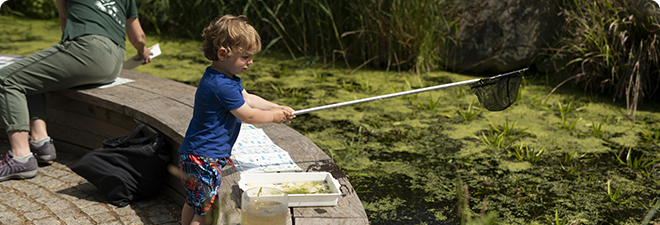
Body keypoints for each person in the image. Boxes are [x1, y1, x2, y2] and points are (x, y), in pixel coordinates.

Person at [0, 0, 153, 181]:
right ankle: (41, 143)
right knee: (33, 75)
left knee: (7, 78)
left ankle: (21, 156)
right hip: (114, 63)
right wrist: (143, 51)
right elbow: (139, 38)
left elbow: (64, 21)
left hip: (87, 50)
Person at [177, 14, 295, 225]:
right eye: (245, 57)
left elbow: (248, 98)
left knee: (193, 202)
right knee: (204, 213)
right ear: (223, 53)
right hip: (205, 158)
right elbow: (248, 114)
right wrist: (273, 118)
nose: (250, 63)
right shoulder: (221, 85)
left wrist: (275, 107)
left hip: (195, 153)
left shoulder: (222, 78)